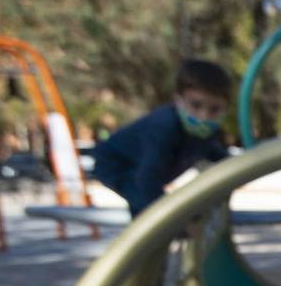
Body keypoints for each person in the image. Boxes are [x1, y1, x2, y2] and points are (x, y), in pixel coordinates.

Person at [92, 59, 232, 217]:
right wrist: (177, 219)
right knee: (148, 206)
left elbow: (222, 159)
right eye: (196, 105)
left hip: (151, 171)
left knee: (163, 205)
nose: (204, 116)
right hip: (116, 165)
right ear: (178, 99)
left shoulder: (208, 132)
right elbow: (148, 180)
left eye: (214, 109)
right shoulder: (163, 126)